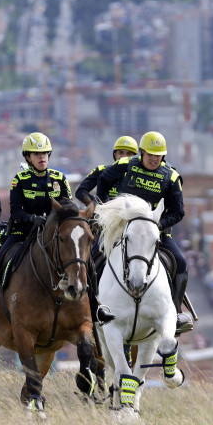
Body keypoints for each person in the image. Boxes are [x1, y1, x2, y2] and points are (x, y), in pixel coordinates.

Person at [96, 130, 193, 334]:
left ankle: (176, 312)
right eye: (150, 155)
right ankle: (92, 306)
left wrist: (157, 224)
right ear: (141, 152)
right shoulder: (124, 165)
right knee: (93, 255)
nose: (154, 159)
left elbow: (178, 211)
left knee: (181, 263)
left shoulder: (172, 177)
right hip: (120, 230)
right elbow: (103, 182)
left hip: (154, 233)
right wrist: (109, 209)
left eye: (158, 156)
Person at [0, 132, 71, 323]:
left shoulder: (60, 179)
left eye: (44, 154)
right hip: (23, 233)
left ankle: (95, 305)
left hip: (54, 235)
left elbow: (68, 208)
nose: (42, 157)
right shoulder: (20, 180)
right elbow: (16, 211)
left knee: (81, 259)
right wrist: (32, 219)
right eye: (36, 154)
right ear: (28, 157)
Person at [74, 135, 139, 325]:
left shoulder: (139, 176)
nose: (123, 157)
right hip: (106, 229)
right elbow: (81, 191)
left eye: (129, 154)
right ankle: (92, 303)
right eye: (121, 153)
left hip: (132, 229)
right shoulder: (103, 170)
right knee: (91, 259)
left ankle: (176, 307)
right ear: (114, 154)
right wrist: (96, 205)